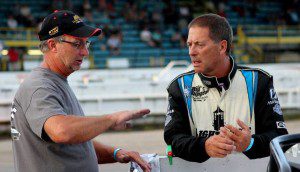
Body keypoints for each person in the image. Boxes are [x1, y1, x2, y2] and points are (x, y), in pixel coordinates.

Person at [10, 10, 151, 172]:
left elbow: (74, 144)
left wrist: (115, 153)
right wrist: (112, 119)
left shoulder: (54, 82)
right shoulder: (39, 86)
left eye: (86, 43)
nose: (85, 52)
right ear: (53, 45)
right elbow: (61, 131)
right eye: (77, 44)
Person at [164, 13, 288, 163]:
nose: (192, 52)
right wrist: (204, 146)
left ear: (222, 46)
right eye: (189, 44)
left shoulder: (258, 81)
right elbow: (172, 140)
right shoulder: (180, 86)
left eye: (199, 44)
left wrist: (250, 144)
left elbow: (280, 137)